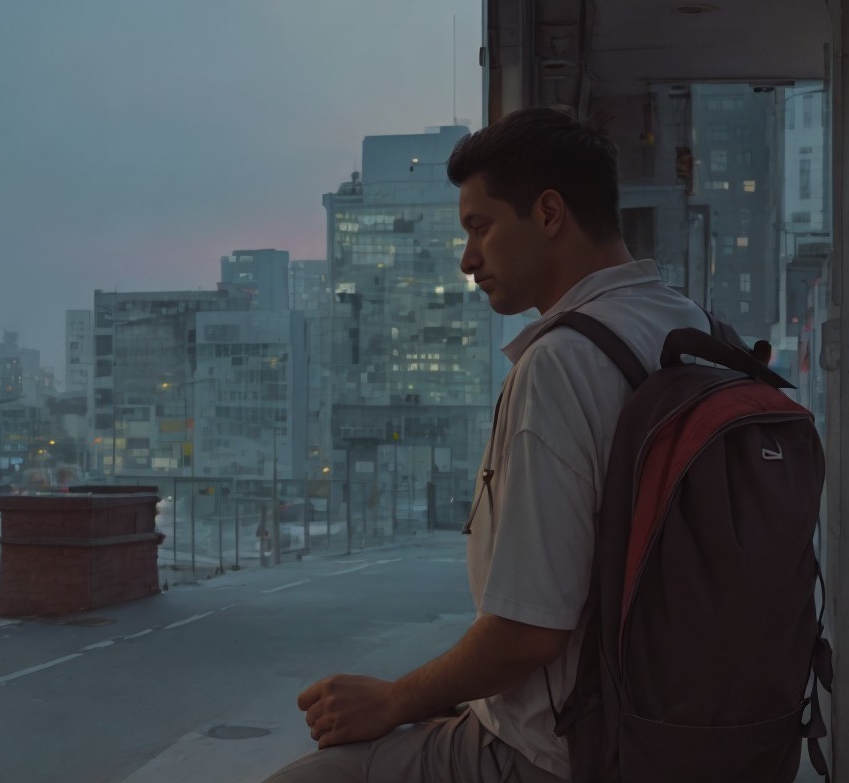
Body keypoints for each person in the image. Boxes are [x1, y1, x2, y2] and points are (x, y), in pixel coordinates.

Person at [262, 107, 711, 783]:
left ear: (550, 213)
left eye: (481, 227)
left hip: (558, 753)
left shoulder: (561, 364)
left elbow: (530, 632)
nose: (469, 260)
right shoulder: (688, 328)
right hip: (682, 731)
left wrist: (393, 699)